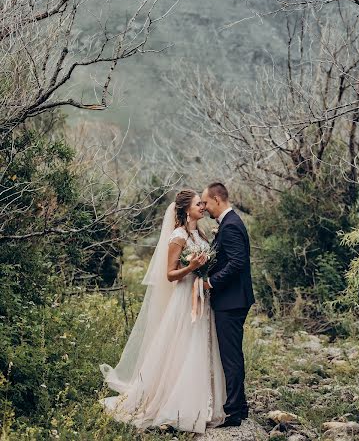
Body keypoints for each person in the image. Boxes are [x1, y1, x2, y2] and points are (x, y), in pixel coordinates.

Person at [100, 189, 226, 433]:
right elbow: (170, 275)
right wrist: (191, 267)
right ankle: (179, 405)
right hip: (184, 298)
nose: (202, 207)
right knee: (185, 346)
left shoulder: (199, 234)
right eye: (198, 204)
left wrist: (204, 269)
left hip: (201, 296)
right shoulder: (178, 236)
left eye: (203, 203)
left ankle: (206, 403)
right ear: (185, 209)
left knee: (203, 346)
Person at [202, 182, 255, 428]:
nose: (205, 207)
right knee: (233, 355)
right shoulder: (229, 223)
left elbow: (237, 263)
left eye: (206, 202)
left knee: (230, 357)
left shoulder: (231, 225)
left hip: (231, 302)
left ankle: (234, 412)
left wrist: (210, 282)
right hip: (233, 300)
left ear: (217, 199)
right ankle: (240, 406)